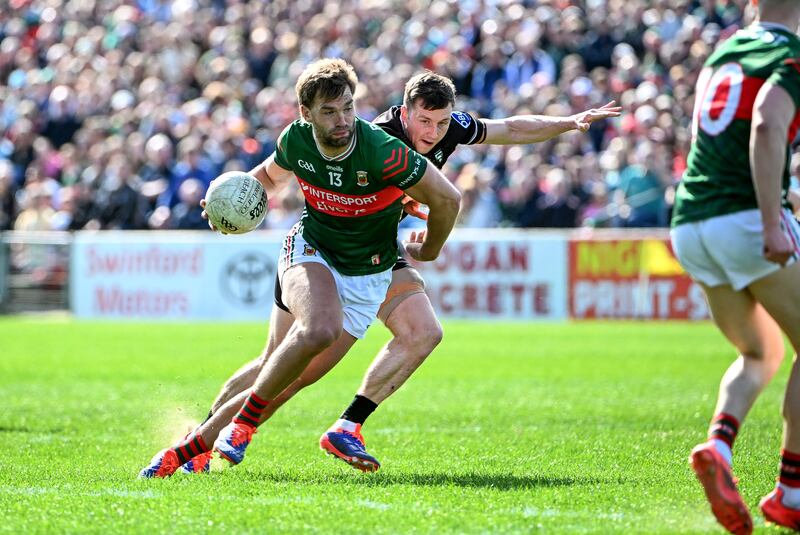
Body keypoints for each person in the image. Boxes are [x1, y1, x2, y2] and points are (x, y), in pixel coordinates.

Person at [167, 71, 620, 474]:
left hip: (378, 248)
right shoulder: (373, 137)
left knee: (423, 332)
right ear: (404, 113)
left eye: (442, 123)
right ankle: (205, 436)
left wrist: (569, 121)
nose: (433, 132)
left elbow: (510, 128)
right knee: (280, 364)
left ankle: (347, 426)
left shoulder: (447, 128)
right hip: (329, 245)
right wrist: (232, 200)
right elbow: (276, 173)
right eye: (424, 122)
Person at [139, 58, 461, 478]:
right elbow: (269, 178)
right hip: (311, 250)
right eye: (329, 111)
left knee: (283, 374)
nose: (342, 119)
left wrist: (432, 249)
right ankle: (240, 427)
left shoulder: (383, 151)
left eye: (347, 107)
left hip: (367, 273)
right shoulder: (297, 140)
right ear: (306, 114)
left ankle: (188, 447)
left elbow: (448, 199)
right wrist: (230, 202)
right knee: (317, 330)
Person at [671, 2, 800, 533]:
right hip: (745, 217)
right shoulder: (790, 55)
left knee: (760, 350)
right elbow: (768, 124)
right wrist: (772, 221)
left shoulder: (725, 49)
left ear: (751, 4)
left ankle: (719, 446)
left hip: (691, 219)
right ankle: (791, 492)